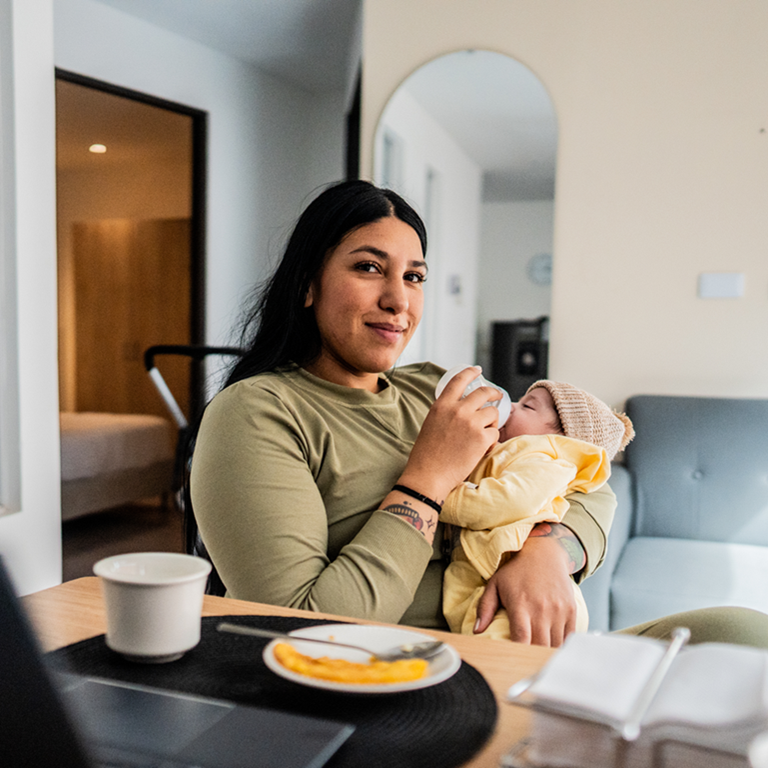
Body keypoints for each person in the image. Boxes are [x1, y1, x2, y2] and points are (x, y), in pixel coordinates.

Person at [190, 179, 768, 648]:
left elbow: (584, 472)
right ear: (307, 284)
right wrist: (427, 479)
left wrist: (546, 550)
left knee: (743, 636)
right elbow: (303, 623)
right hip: (411, 668)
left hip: (526, 644)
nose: (399, 299)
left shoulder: (434, 388)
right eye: (369, 268)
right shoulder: (258, 414)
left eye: (414, 276)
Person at [440, 378, 634, 639]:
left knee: (505, 652)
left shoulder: (546, 459)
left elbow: (509, 500)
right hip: (492, 581)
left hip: (525, 596)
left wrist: (440, 496)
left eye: (527, 407)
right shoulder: (514, 454)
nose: (512, 407)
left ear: (562, 437)